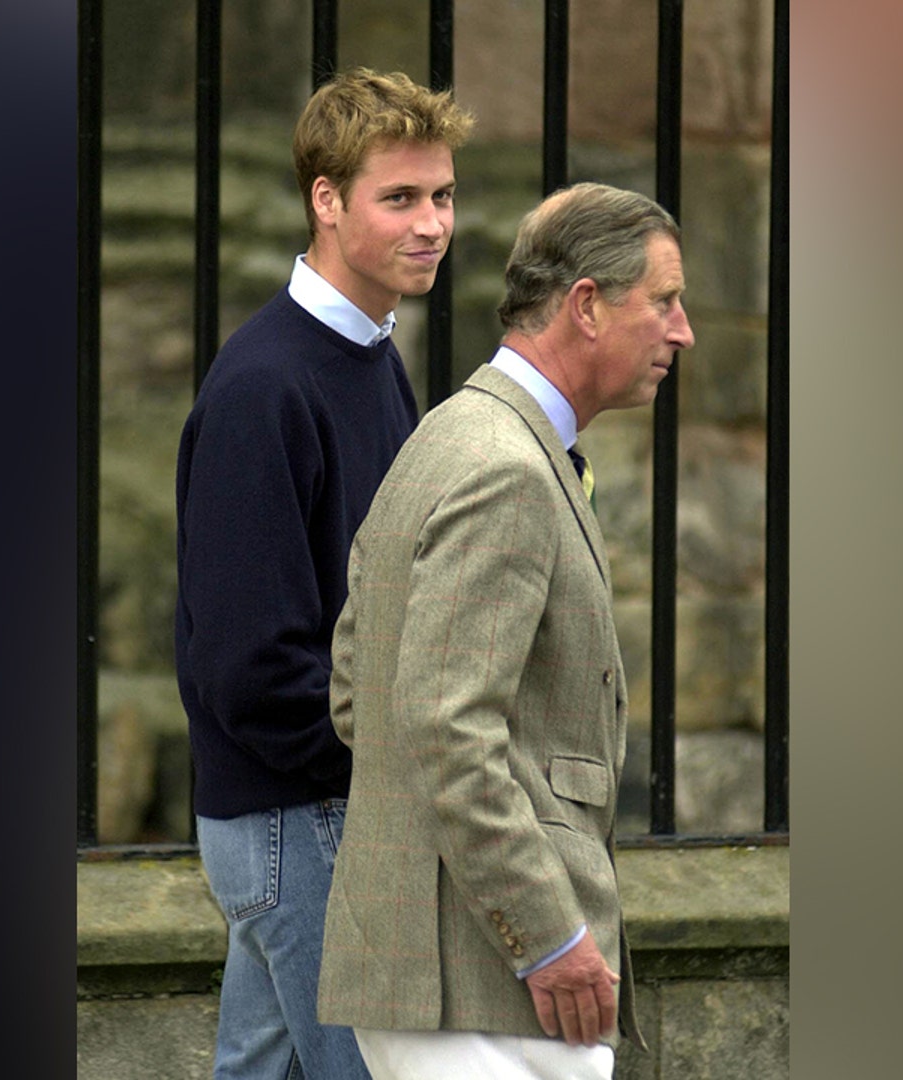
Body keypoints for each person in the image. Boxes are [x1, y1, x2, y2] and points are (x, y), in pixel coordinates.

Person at [317, 182, 694, 1080]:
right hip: (484, 992)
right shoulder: (505, 468)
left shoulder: (453, 433)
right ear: (587, 305)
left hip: (447, 981)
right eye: (666, 301)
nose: (681, 332)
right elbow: (444, 725)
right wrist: (547, 935)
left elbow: (358, 690)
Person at [173, 68, 474, 1080]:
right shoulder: (266, 387)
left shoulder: (371, 354)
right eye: (401, 197)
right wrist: (388, 772)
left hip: (313, 813)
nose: (432, 224)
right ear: (326, 200)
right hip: (298, 821)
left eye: (442, 195)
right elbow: (251, 666)